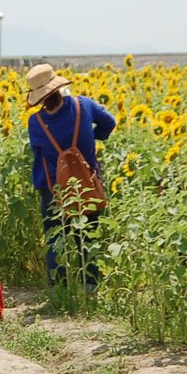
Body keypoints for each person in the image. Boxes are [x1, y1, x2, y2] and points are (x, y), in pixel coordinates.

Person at [26, 63, 116, 288]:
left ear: (39, 96)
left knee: (56, 238)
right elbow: (110, 122)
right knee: (87, 233)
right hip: (86, 183)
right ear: (57, 86)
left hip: (54, 188)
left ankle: (59, 289)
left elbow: (36, 150)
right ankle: (91, 284)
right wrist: (91, 139)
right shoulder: (83, 105)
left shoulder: (36, 123)